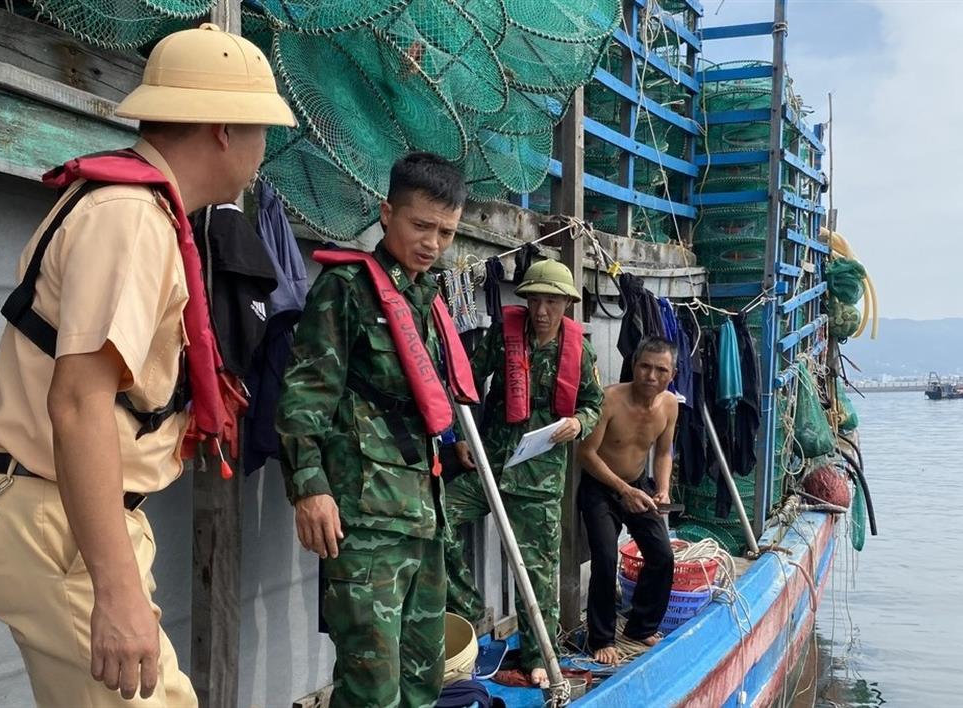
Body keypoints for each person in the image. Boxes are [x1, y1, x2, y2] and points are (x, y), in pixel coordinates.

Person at [0, 23, 295, 707]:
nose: (264, 149)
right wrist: (117, 596)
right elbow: (79, 403)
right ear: (220, 129)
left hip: (69, 517)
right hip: (54, 519)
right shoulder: (129, 218)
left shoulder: (144, 211)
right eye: (261, 127)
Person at [277, 152, 479, 708]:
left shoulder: (427, 299)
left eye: (446, 231)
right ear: (387, 213)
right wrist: (310, 488)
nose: (433, 242)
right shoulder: (344, 288)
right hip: (365, 521)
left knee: (422, 681)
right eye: (421, 225)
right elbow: (304, 395)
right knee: (371, 691)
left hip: (422, 514)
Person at [446, 259, 604, 687]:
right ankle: (471, 608)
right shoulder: (502, 336)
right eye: (534, 300)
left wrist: (579, 424)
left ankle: (537, 655)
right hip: (489, 469)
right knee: (434, 518)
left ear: (566, 305)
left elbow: (594, 403)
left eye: (551, 301)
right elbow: (461, 384)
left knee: (537, 573)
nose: (541, 311)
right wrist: (455, 437)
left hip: (539, 481)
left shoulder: (580, 350)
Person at [577, 336, 679, 664]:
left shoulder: (670, 405)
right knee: (606, 558)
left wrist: (661, 489)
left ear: (672, 374)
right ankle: (602, 638)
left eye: (660, 369)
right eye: (645, 366)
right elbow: (586, 454)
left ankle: (640, 627)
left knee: (662, 555)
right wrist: (623, 490)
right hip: (601, 486)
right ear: (633, 366)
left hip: (638, 485)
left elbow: (663, 452)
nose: (651, 375)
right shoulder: (610, 400)